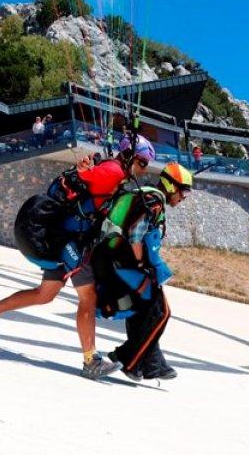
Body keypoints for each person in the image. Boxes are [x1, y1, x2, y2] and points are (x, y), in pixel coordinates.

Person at [0, 134, 157, 380]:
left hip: (64, 236)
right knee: (88, 297)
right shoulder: (113, 172)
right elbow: (87, 176)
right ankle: (91, 361)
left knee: (45, 294)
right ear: (130, 157)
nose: (144, 169)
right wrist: (85, 170)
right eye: (142, 163)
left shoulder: (114, 171)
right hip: (68, 240)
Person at [97, 162, 194, 381]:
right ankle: (127, 359)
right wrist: (141, 265)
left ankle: (151, 364)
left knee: (144, 313)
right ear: (171, 186)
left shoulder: (147, 195)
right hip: (127, 264)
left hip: (116, 260)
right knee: (161, 312)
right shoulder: (154, 201)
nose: (184, 197)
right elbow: (135, 234)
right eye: (184, 191)